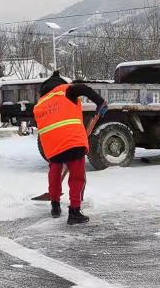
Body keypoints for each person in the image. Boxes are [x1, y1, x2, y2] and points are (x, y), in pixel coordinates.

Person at [33, 71, 107, 224]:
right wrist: (100, 102)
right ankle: (74, 211)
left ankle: (55, 206)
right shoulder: (65, 91)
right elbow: (84, 89)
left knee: (54, 172)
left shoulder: (39, 104)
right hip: (72, 142)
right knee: (77, 177)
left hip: (52, 147)